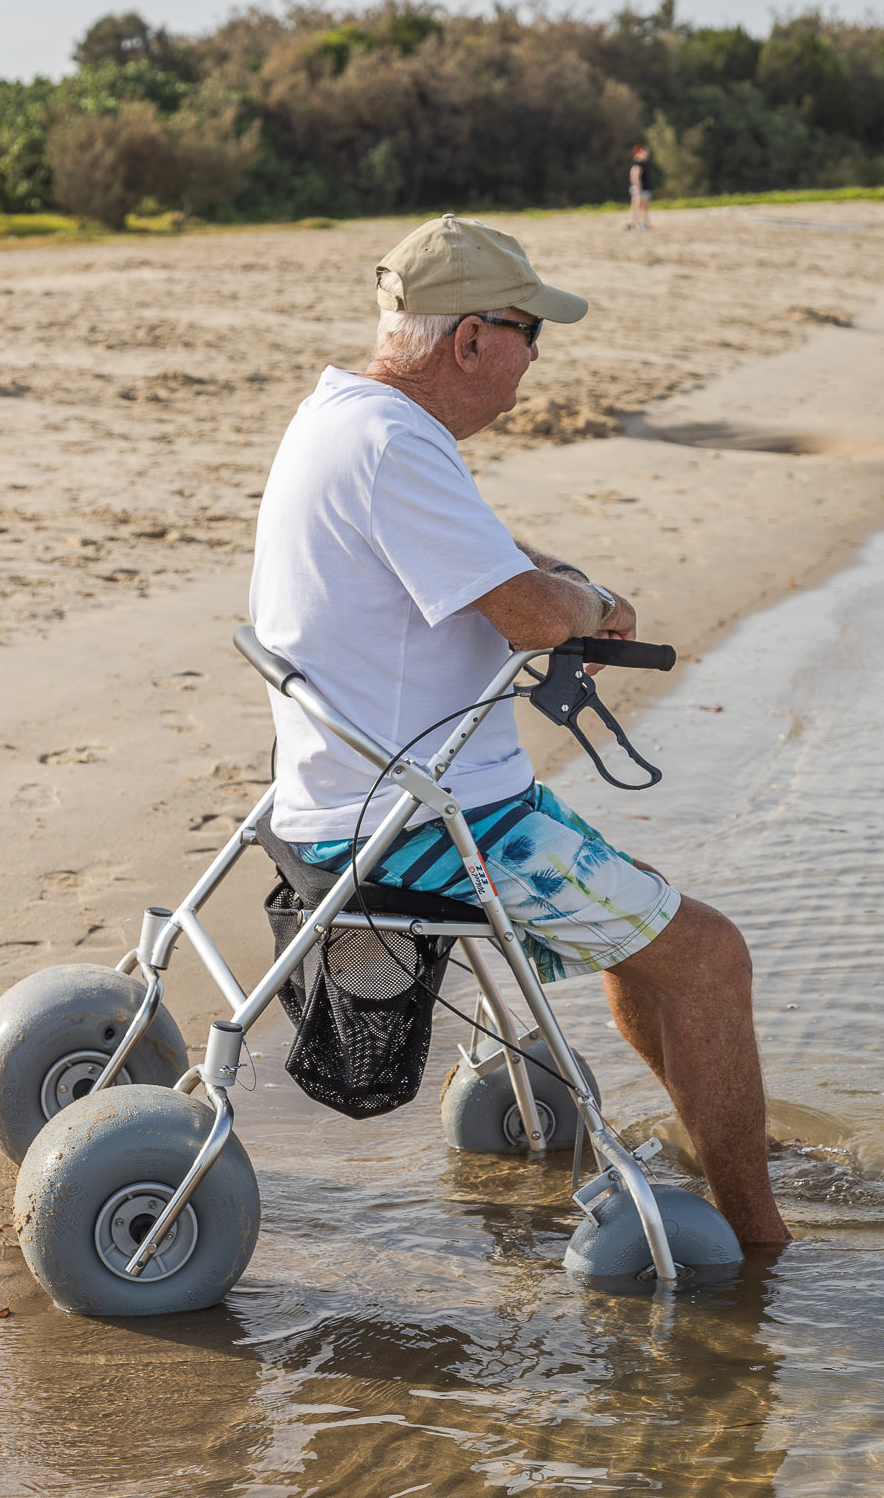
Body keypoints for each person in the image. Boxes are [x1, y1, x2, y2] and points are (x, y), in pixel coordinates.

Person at [249, 213, 791, 1248]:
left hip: (374, 793)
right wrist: (585, 602)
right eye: (531, 336)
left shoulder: (350, 417)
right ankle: (763, 1240)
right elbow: (537, 617)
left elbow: (478, 543)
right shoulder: (394, 445)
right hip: (422, 823)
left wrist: (567, 579)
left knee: (654, 944)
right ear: (471, 341)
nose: (534, 361)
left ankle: (726, 1134)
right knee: (712, 958)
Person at [627, 144, 653, 230]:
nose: (646, 153)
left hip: (641, 188)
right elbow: (634, 175)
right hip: (640, 189)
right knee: (638, 206)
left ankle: (642, 223)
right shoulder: (638, 163)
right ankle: (635, 223)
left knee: (642, 207)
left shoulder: (642, 163)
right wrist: (638, 186)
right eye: (644, 151)